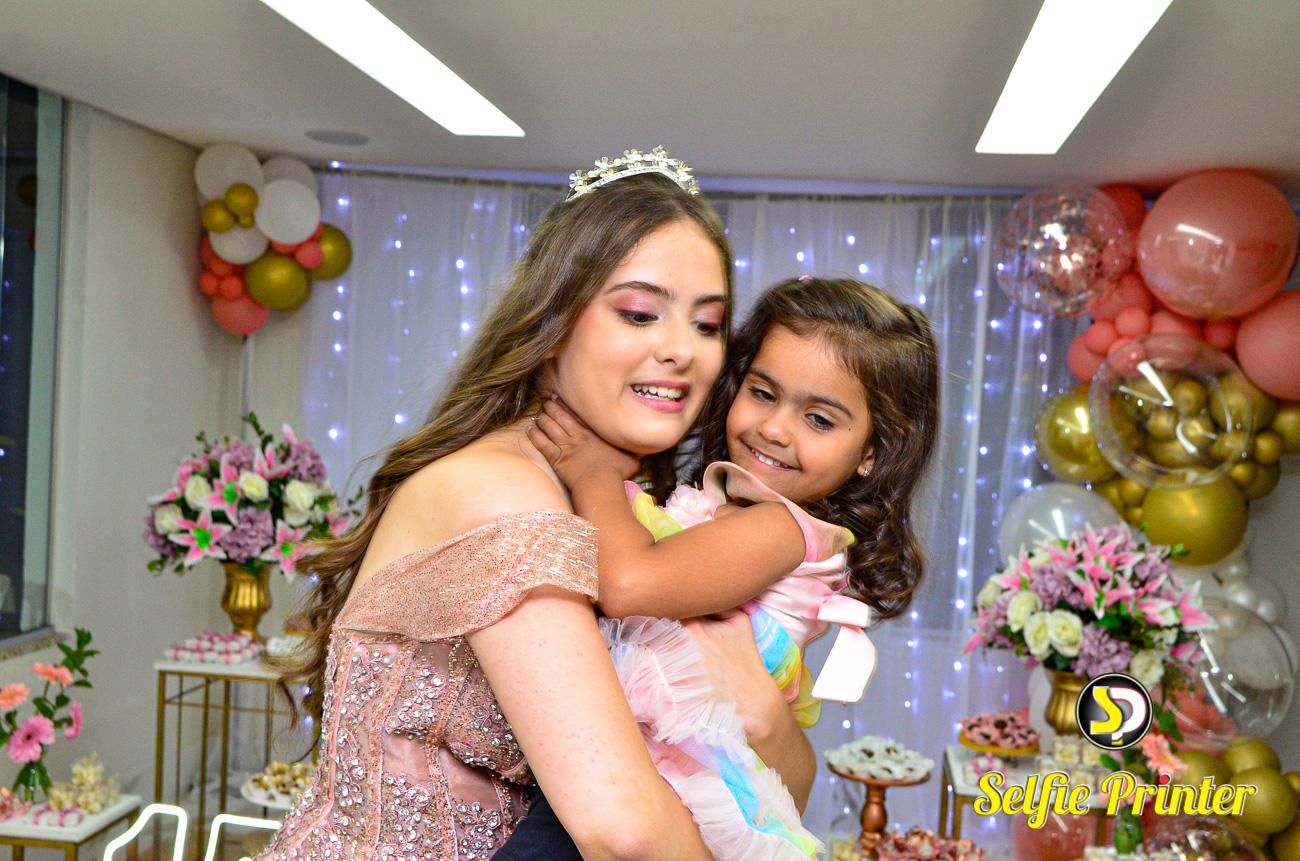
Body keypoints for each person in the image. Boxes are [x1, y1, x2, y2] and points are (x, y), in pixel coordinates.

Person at [257, 149, 816, 861]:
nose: (683, 350)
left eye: (707, 325)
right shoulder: (502, 490)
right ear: (553, 321)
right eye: (640, 313)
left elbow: (774, 786)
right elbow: (626, 830)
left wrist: (763, 708)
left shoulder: (621, 510)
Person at [506, 277, 940, 859]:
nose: (774, 428)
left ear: (872, 452)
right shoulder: (735, 507)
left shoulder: (783, 528)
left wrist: (592, 472)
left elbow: (629, 584)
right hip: (646, 761)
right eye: (763, 393)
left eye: (819, 419)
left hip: (675, 777)